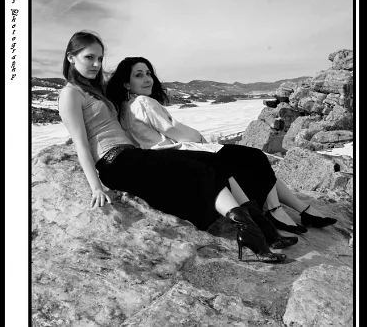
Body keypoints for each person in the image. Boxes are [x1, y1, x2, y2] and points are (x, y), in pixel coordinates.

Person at [58, 30, 289, 264]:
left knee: (212, 162)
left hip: (132, 155)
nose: (96, 64)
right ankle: (250, 234)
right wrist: (95, 187)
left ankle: (261, 229)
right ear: (70, 57)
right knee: (197, 171)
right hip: (113, 161)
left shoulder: (94, 90)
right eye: (89, 57)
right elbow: (80, 144)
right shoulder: (70, 94)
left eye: (99, 58)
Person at [105, 56, 338, 235]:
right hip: (177, 152)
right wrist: (200, 138)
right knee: (254, 157)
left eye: (148, 73)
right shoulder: (144, 102)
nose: (147, 79)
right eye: (139, 75)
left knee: (251, 160)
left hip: (166, 154)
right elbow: (172, 129)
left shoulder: (124, 107)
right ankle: (279, 211)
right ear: (126, 83)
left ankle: (299, 210)